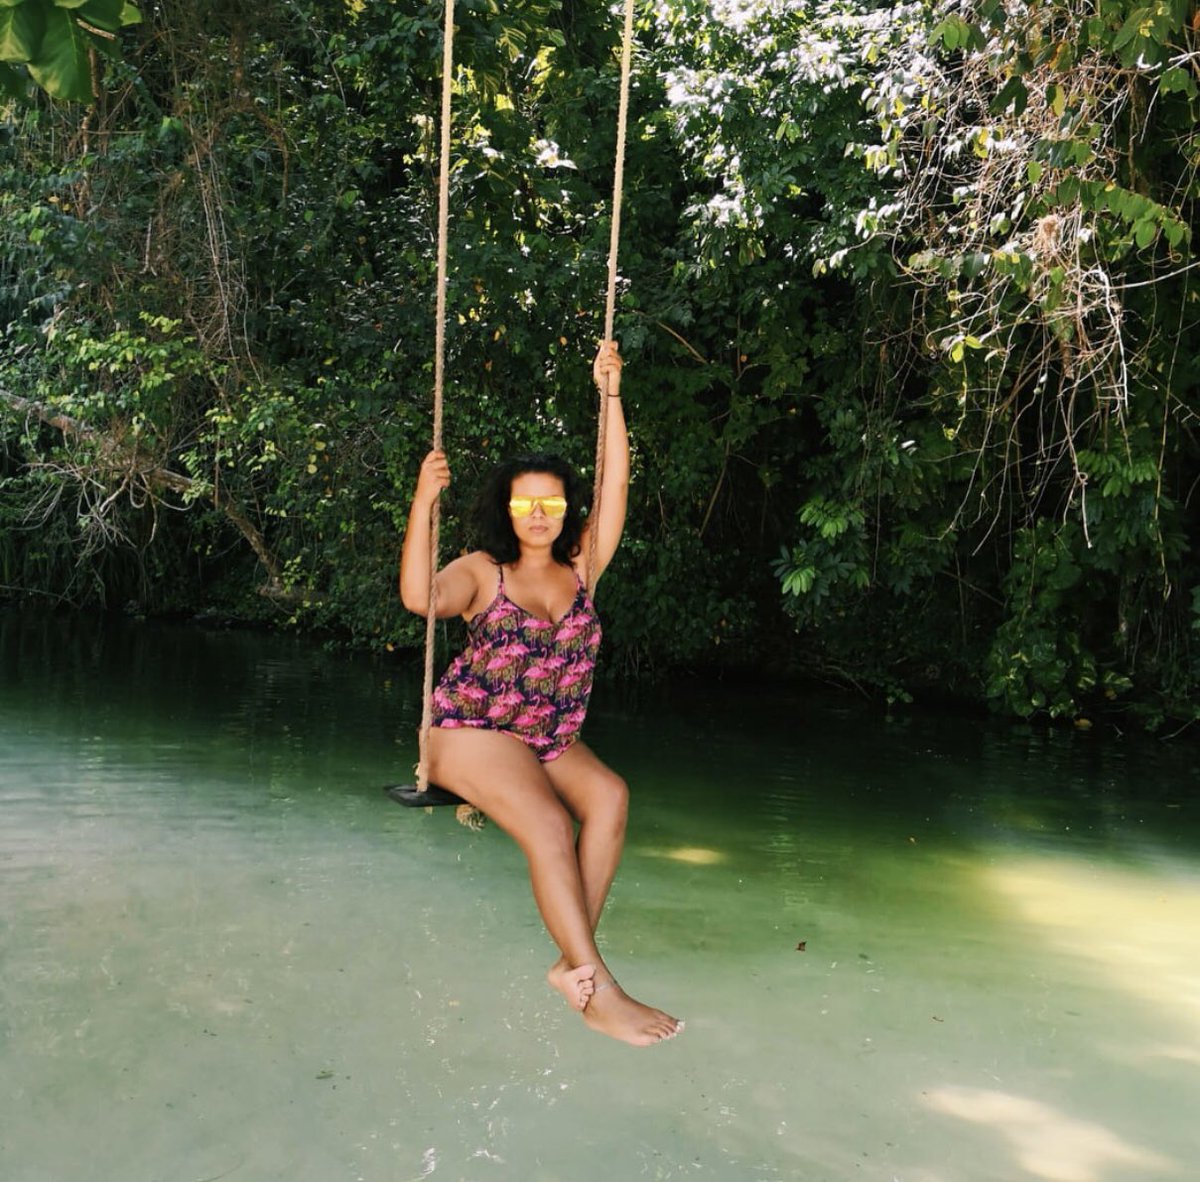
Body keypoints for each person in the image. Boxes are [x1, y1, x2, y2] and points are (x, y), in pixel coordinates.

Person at [399, 340, 682, 1047]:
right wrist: (422, 502)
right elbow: (416, 598)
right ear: (507, 508)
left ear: (563, 508)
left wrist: (611, 397)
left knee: (610, 797)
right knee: (551, 827)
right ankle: (597, 986)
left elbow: (618, 487)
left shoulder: (584, 567)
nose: (538, 512)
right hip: (469, 730)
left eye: (550, 501)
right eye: (525, 501)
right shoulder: (480, 571)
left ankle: (571, 964)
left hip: (548, 735)